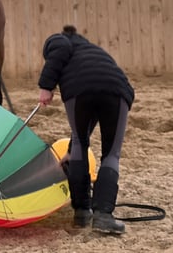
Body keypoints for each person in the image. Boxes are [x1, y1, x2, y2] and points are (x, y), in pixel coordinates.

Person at [37, 25, 135, 234]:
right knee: (111, 154)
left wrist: (47, 85)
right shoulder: (93, 51)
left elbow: (60, 47)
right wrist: (69, 152)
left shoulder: (59, 40)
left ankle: (82, 213)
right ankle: (103, 216)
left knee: (81, 144)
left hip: (78, 92)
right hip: (116, 91)